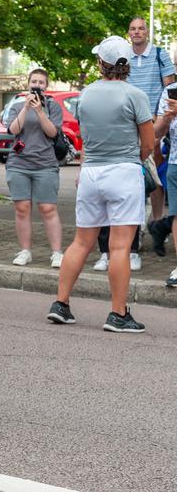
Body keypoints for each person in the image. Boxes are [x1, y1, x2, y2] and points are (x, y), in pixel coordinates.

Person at [48, 36, 153, 332]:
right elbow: (147, 144)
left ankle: (61, 303)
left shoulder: (86, 95)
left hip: (92, 172)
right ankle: (118, 313)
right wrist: (134, 157)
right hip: (124, 172)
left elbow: (86, 136)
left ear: (101, 64)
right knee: (120, 246)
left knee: (81, 241)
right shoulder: (135, 95)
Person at [5, 68, 64, 268]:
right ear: (28, 84)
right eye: (34, 82)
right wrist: (26, 108)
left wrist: (39, 110)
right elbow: (13, 130)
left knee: (48, 208)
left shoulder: (53, 107)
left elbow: (52, 133)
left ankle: (57, 253)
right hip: (19, 164)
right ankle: (25, 251)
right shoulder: (17, 106)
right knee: (22, 209)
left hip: (45, 164)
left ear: (46, 86)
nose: (37, 85)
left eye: (41, 82)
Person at [127, 16, 174, 221]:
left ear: (147, 32)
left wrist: (161, 119)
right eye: (133, 29)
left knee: (153, 172)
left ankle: (157, 221)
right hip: (129, 121)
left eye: (141, 28)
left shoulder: (159, 54)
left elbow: (170, 90)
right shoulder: (123, 56)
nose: (137, 32)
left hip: (154, 121)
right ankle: (133, 222)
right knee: (131, 170)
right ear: (129, 33)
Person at [146, 85, 177, 289]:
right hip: (176, 163)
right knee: (176, 215)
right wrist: (167, 117)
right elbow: (157, 131)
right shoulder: (170, 91)